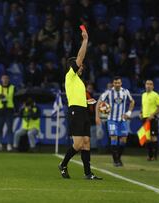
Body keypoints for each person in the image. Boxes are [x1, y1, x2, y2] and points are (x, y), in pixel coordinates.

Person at [58, 27, 102, 180]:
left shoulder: (78, 81)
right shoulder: (70, 75)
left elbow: (79, 98)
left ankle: (88, 173)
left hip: (82, 110)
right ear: (73, 66)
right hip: (75, 111)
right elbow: (80, 58)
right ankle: (63, 164)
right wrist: (85, 40)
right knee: (77, 144)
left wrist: (90, 101)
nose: (82, 66)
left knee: (87, 142)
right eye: (79, 65)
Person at [96, 76, 135, 167]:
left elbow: (132, 101)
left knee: (123, 140)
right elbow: (99, 103)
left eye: (118, 83)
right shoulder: (108, 92)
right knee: (114, 138)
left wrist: (128, 113)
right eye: (115, 83)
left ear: (121, 83)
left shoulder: (125, 92)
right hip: (111, 120)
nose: (117, 84)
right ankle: (115, 161)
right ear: (113, 84)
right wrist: (98, 116)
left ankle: (118, 158)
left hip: (122, 120)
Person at [140, 80, 159, 161]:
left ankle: (154, 156)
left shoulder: (156, 95)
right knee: (147, 138)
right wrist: (141, 113)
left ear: (153, 86)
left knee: (153, 137)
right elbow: (143, 106)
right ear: (145, 85)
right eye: (147, 84)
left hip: (152, 118)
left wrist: (153, 114)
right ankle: (149, 155)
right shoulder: (143, 95)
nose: (148, 86)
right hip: (145, 118)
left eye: (150, 84)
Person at [0, 74, 15, 152]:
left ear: (8, 79)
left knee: (9, 127)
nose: (5, 80)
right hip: (0, 108)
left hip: (9, 109)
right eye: (3, 78)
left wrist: (16, 109)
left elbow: (15, 99)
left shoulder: (13, 87)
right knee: (0, 127)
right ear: (1, 79)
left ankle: (9, 145)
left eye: (6, 78)